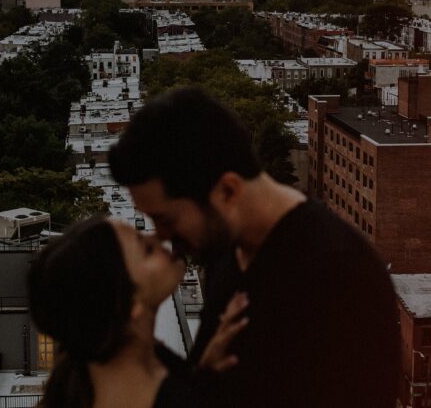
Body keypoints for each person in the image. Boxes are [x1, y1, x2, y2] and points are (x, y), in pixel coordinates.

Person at [109, 86, 401, 408]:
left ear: (228, 191)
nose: (161, 236)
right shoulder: (225, 249)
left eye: (167, 219)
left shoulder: (340, 274)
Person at [28, 216, 247, 408]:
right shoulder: (166, 395)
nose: (158, 238)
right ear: (131, 304)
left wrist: (201, 376)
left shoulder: (106, 372)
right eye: (147, 249)